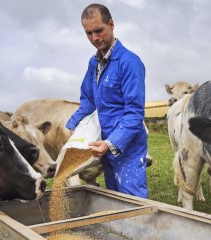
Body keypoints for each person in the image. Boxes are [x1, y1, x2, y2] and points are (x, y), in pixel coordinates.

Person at [65, 3, 148, 198]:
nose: (95, 38)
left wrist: (112, 143)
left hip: (126, 144)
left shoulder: (129, 63)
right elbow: (88, 99)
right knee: (113, 196)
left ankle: (140, 228)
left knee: (132, 198)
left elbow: (134, 112)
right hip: (103, 142)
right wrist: (72, 124)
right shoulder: (94, 63)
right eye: (89, 33)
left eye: (99, 30)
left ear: (111, 24)